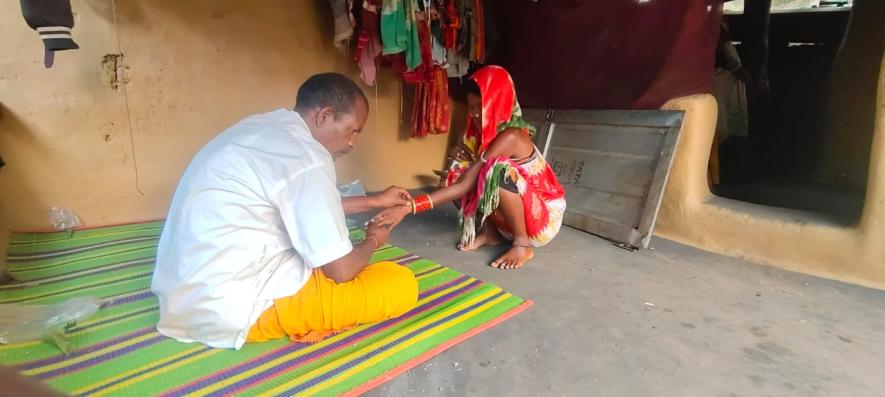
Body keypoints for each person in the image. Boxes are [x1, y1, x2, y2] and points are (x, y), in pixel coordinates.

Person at [151, 73, 417, 349]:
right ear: (324, 116)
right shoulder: (307, 157)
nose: (353, 143)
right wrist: (374, 238)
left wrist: (375, 201)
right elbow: (341, 270)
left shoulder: (265, 127)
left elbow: (309, 204)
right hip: (231, 306)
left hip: (184, 293)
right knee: (400, 283)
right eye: (353, 130)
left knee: (356, 263)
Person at [372, 65, 566, 270]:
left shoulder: (512, 136)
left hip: (542, 221)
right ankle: (491, 234)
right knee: (463, 169)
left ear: (497, 104)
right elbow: (457, 179)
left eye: (479, 107)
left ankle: (522, 245)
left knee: (496, 170)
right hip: (509, 223)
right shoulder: (477, 136)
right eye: (470, 107)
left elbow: (467, 184)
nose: (473, 114)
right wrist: (457, 155)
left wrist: (409, 207)